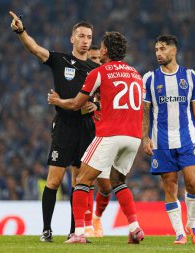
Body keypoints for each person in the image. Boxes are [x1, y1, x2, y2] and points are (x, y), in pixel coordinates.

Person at [9, 11, 100, 242]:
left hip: (86, 128)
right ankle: (46, 229)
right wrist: (21, 31)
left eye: (89, 37)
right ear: (72, 39)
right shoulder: (60, 60)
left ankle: (75, 231)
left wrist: (96, 105)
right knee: (54, 180)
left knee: (81, 183)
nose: (85, 40)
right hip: (64, 126)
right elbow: (35, 49)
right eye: (81, 36)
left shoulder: (95, 69)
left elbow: (103, 98)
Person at [48, 31, 145, 244]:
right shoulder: (136, 74)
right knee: (118, 181)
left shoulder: (100, 72)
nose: (98, 50)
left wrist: (57, 101)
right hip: (134, 136)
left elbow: (76, 104)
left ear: (106, 50)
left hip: (110, 134)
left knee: (82, 180)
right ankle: (135, 227)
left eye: (101, 47)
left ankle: (79, 233)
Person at [142, 35, 195, 245]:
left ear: (174, 50)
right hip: (161, 141)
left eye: (162, 49)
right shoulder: (150, 78)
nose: (158, 53)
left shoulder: (190, 76)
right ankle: (180, 233)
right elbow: (145, 111)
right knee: (170, 186)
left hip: (188, 138)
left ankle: (193, 224)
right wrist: (145, 137)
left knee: (192, 182)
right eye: (156, 50)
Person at [84, 45, 112, 238]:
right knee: (85, 180)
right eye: (91, 58)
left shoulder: (107, 80)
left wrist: (99, 105)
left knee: (106, 186)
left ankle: (97, 217)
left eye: (97, 58)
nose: (95, 61)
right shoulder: (84, 80)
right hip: (85, 135)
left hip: (106, 136)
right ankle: (85, 224)